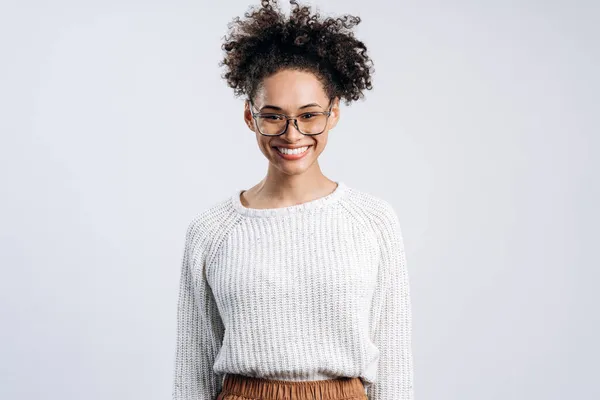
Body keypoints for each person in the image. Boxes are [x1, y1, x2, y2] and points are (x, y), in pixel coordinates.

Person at [172, 1, 414, 399]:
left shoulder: (372, 220)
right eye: (273, 116)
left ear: (334, 112)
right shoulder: (211, 231)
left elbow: (395, 365)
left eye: (309, 115)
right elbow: (192, 371)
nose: (292, 133)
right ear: (250, 117)